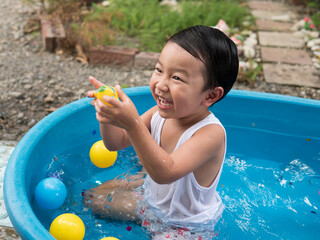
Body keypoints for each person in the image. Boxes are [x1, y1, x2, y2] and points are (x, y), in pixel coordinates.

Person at [85, 25, 239, 239]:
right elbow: (115, 143)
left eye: (177, 78)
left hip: (186, 226)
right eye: (159, 70)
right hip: (152, 203)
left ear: (210, 95)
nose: (161, 84)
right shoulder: (159, 114)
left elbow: (164, 173)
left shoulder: (211, 134)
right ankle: (140, 184)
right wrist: (107, 115)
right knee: (93, 199)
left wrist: (132, 124)